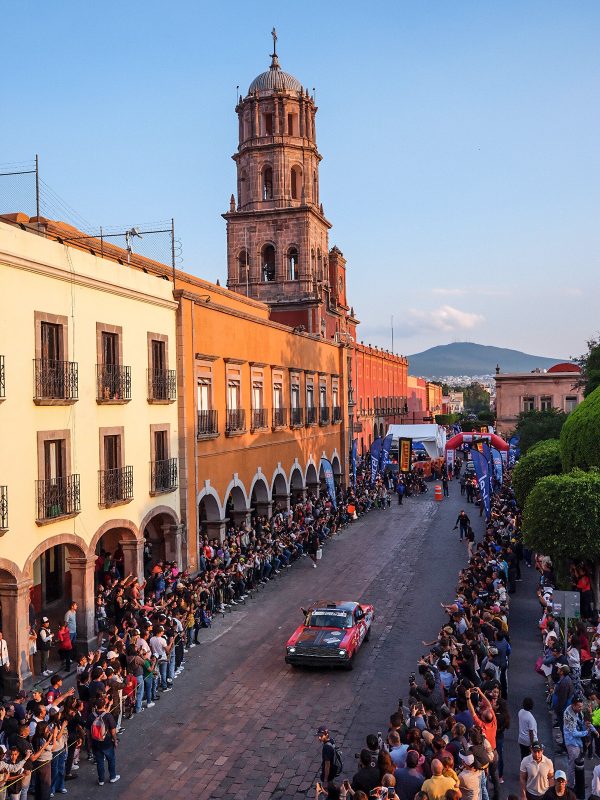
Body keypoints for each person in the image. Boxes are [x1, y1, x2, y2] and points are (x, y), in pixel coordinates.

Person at [87, 696, 120, 786]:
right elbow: (113, 730)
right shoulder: (108, 716)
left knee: (100, 762)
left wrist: (89, 743)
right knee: (111, 760)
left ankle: (101, 780)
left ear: (96, 706)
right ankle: (112, 777)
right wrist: (115, 740)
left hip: (96, 742)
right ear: (104, 705)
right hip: (107, 742)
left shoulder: (91, 716)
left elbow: (88, 732)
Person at [0, 630, 9, 699]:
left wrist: (7, 663)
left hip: (2, 663)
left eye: (1, 635)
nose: (0, 637)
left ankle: (2, 695)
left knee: (3, 679)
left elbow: (6, 653)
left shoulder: (3, 642)